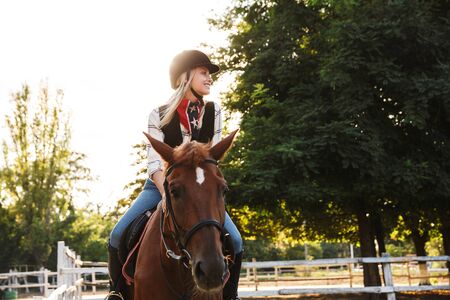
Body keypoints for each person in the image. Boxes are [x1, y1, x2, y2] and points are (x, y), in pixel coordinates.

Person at [106, 50, 243, 300]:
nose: (209, 78)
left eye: (209, 74)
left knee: (236, 240)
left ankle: (231, 295)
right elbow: (155, 166)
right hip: (159, 186)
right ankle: (116, 293)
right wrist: (167, 196)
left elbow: (211, 160)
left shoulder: (214, 112)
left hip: (201, 192)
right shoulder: (157, 115)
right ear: (184, 77)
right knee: (118, 233)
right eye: (204, 72)